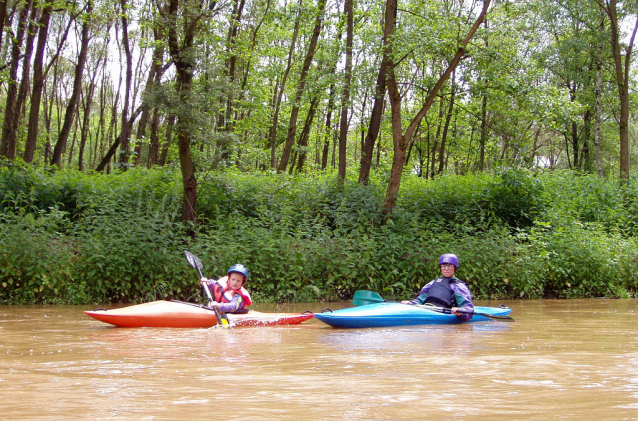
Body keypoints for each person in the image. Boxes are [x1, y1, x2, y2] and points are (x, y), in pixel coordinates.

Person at [401, 253, 475, 322]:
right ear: (440, 268)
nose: (446, 269)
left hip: (444, 312)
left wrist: (460, 313)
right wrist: (411, 303)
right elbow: (420, 299)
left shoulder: (459, 286)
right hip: (425, 309)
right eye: (443, 266)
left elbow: (468, 309)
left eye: (450, 266)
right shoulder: (432, 283)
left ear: (455, 268)